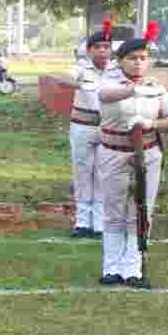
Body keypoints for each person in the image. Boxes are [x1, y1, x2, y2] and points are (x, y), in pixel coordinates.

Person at [94, 22, 168, 288]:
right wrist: (133, 89)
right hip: (114, 151)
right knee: (113, 210)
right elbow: (107, 95)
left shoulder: (156, 87)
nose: (137, 63)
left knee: (141, 210)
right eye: (132, 58)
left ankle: (132, 268)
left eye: (143, 58)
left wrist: (152, 124)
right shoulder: (109, 82)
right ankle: (111, 267)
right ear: (120, 61)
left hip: (147, 152)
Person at [68, 21, 120, 238]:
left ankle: (99, 222)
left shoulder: (117, 71)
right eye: (97, 47)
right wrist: (80, 84)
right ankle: (82, 222)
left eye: (106, 47)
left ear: (111, 50)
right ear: (89, 50)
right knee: (82, 172)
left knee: (102, 173)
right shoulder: (81, 68)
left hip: (107, 126)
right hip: (83, 125)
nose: (102, 50)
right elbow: (62, 78)